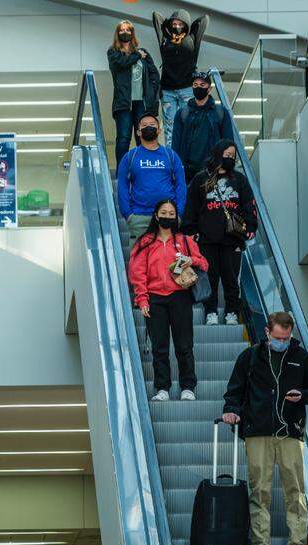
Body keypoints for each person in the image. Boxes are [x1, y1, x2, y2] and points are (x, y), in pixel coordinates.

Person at [221, 312, 308, 545]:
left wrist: (303, 395)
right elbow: (234, 389)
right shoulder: (251, 356)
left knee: (295, 491)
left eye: (286, 338)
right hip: (257, 432)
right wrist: (231, 410)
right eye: (278, 338)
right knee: (260, 491)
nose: (282, 342)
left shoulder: (301, 357)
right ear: (267, 333)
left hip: (290, 431)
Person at [128, 199, 208, 402]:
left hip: (180, 297)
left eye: (172, 214)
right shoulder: (145, 242)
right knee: (159, 347)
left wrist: (192, 260)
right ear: (156, 215)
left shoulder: (185, 241)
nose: (168, 217)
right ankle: (162, 388)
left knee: (184, 345)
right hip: (155, 299)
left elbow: (204, 264)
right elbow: (137, 273)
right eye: (164, 213)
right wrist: (142, 299)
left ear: (176, 217)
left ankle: (187, 387)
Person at [181, 139, 257, 325]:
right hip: (206, 241)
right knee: (211, 278)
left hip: (233, 240)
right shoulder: (201, 179)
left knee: (232, 279)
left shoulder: (239, 179)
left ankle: (232, 311)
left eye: (233, 156)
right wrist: (191, 231)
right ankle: (211, 311)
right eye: (227, 155)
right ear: (217, 154)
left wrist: (251, 227)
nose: (230, 158)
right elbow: (190, 208)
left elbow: (249, 205)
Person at [116, 113, 187, 235]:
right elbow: (122, 187)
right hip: (139, 218)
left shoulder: (171, 156)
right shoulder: (129, 157)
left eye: (152, 125)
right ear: (138, 132)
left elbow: (181, 185)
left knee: (168, 254)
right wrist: (128, 215)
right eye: (144, 125)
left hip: (168, 216)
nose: (148, 127)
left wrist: (178, 214)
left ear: (159, 130)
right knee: (140, 254)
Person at [107, 20, 161, 164]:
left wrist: (152, 92)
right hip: (124, 103)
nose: (125, 33)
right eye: (122, 30)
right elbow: (122, 63)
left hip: (142, 103)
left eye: (128, 30)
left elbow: (154, 73)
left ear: (132, 33)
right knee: (124, 138)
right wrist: (137, 56)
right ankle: (122, 172)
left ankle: (143, 167)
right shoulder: (113, 52)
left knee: (143, 137)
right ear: (117, 33)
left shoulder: (144, 53)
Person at [152, 10, 208, 147]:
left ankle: (186, 160)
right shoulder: (165, 39)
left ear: (186, 25)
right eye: (174, 23)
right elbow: (156, 16)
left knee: (188, 125)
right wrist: (168, 23)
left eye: (180, 24)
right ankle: (173, 160)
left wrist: (186, 23)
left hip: (187, 88)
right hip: (167, 90)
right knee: (170, 128)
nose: (177, 26)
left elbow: (204, 19)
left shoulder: (192, 39)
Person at [171, 68, 235, 182]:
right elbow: (175, 144)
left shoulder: (220, 113)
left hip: (214, 171)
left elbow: (228, 142)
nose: (198, 87)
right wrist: (176, 169)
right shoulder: (182, 113)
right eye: (195, 85)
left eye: (202, 84)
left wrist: (225, 167)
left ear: (209, 89)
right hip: (188, 173)